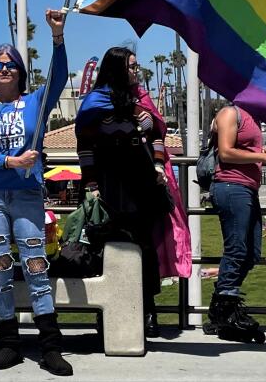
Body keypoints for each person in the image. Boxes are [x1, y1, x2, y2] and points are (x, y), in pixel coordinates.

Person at [0, 9, 71, 376]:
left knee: (36, 266)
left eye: (11, 64)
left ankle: (51, 346)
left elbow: (59, 76)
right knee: (0, 268)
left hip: (27, 196)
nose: (5, 69)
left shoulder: (36, 102)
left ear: (21, 72)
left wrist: (57, 36)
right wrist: (12, 161)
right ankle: (8, 342)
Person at [75, 47, 170, 341]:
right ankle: (107, 315)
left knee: (144, 246)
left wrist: (157, 164)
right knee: (107, 248)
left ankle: (147, 311)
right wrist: (91, 184)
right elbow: (85, 146)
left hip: (141, 184)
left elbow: (156, 135)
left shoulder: (140, 100)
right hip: (107, 185)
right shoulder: (94, 103)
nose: (135, 71)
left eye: (137, 66)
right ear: (116, 68)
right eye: (131, 66)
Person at [204, 101, 266, 342]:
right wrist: (265, 156)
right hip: (231, 187)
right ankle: (227, 311)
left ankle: (219, 309)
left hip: (247, 189)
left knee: (251, 252)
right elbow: (226, 152)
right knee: (237, 249)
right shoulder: (231, 113)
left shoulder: (252, 117)